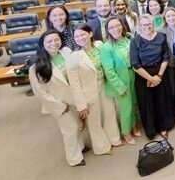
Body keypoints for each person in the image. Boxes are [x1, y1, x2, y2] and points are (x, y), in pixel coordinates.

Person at [29, 29, 86, 166]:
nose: (54, 43)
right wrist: (60, 105)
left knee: (77, 125)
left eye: (56, 40)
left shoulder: (66, 52)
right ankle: (74, 158)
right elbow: (40, 93)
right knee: (70, 129)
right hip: (59, 103)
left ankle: (81, 148)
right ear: (42, 43)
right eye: (49, 41)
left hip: (73, 98)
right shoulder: (37, 66)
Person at [67, 24, 122, 155]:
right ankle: (102, 147)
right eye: (77, 36)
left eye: (83, 34)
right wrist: (81, 105)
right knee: (94, 120)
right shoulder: (73, 57)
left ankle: (114, 139)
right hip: (88, 91)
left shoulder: (99, 45)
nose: (80, 38)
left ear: (90, 34)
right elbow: (74, 84)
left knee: (110, 113)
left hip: (104, 85)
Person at [130, 14, 175, 139]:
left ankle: (163, 126)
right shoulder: (135, 41)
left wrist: (159, 76)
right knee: (148, 103)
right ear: (139, 26)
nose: (147, 27)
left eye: (149, 24)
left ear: (153, 24)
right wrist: (151, 79)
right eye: (144, 25)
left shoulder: (162, 36)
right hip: (143, 76)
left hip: (160, 72)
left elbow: (166, 57)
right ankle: (151, 129)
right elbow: (135, 63)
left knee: (162, 101)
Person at [99, 17, 140, 144]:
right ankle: (126, 132)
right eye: (111, 27)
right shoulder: (106, 47)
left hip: (133, 74)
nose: (116, 29)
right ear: (107, 30)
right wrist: (120, 87)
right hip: (120, 79)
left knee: (134, 103)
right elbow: (109, 71)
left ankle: (134, 126)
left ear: (122, 26)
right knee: (126, 107)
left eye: (118, 25)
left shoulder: (128, 39)